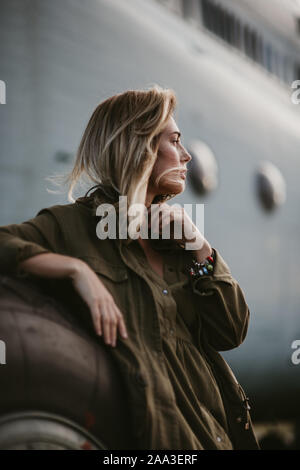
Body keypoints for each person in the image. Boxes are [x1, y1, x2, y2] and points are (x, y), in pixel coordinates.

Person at [0, 85, 260, 450]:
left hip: (216, 436)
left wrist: (200, 247)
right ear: (139, 146)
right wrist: (77, 271)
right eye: (174, 141)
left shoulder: (176, 238)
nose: (186, 156)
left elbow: (231, 331)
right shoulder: (72, 226)